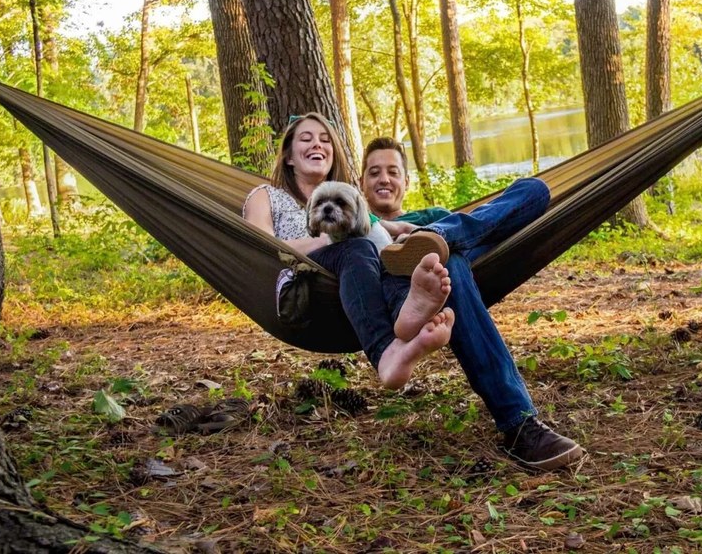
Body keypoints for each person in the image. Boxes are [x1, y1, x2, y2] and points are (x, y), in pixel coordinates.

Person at [361, 137, 583, 470]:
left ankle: (430, 239)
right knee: (448, 261)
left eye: (393, 171)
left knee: (534, 190)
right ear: (360, 184)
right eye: (374, 172)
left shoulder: (434, 213)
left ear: (406, 182)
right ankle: (518, 423)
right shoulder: (354, 220)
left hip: (445, 252)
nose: (384, 179)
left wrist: (415, 230)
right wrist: (384, 229)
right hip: (398, 288)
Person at [244, 113, 455, 390]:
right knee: (356, 247)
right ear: (289, 157)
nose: (317, 144)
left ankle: (408, 312)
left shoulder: (347, 195)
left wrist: (400, 228)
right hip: (304, 278)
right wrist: (327, 240)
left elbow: (375, 226)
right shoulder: (265, 195)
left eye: (324, 140)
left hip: (356, 279)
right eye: (306, 139)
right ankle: (385, 353)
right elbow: (259, 248)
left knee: (386, 259)